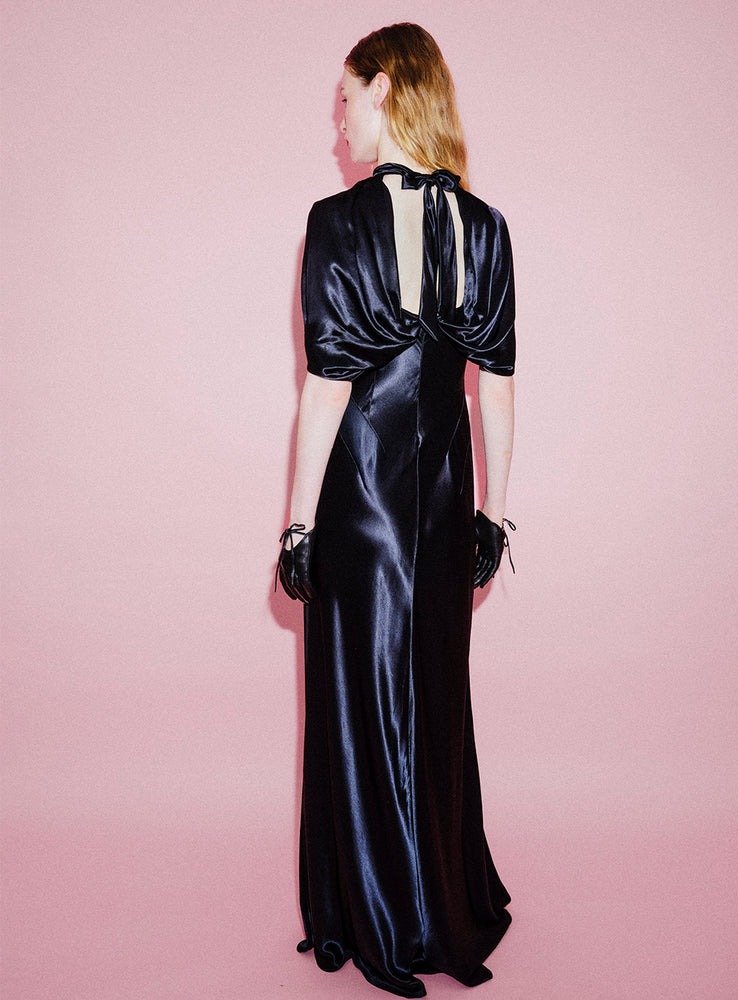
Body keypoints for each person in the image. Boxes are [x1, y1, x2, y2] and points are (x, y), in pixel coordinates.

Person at [276, 22, 517, 999]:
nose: (336, 122)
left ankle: (376, 916)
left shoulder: (336, 223)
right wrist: (495, 515)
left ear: (384, 89)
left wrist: (297, 525)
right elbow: (495, 389)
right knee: (433, 696)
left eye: (344, 98)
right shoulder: (484, 227)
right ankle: (442, 909)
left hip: (362, 500)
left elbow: (327, 389)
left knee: (360, 700)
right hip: (445, 504)